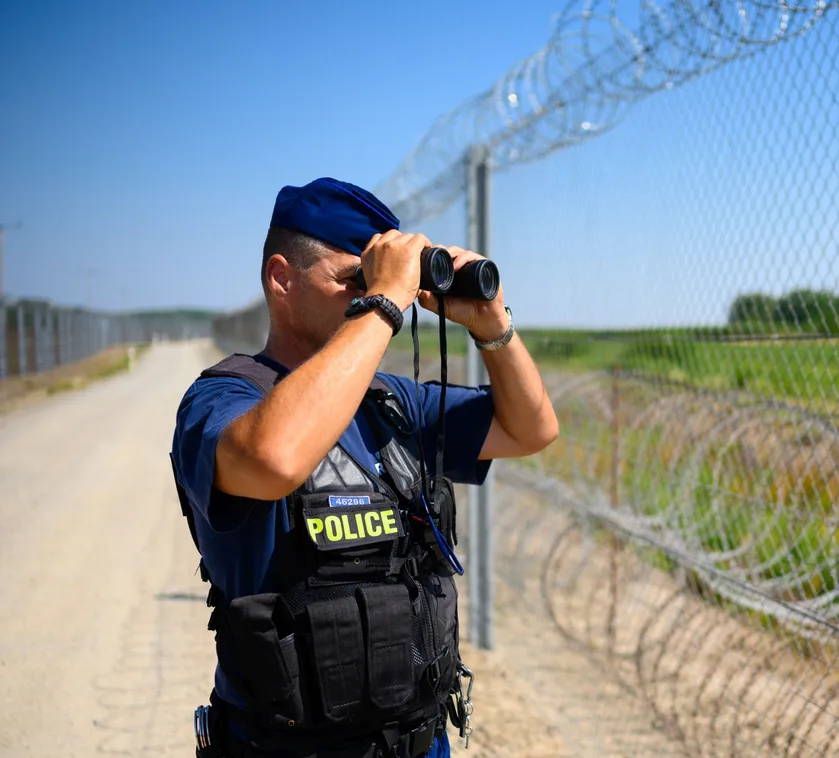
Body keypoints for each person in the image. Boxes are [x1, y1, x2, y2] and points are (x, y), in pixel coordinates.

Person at [169, 177, 558, 757]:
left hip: (420, 740)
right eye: (353, 280)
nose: (370, 295)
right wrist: (384, 302)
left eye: (378, 281)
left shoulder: (395, 404)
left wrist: (491, 325)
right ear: (281, 279)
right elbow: (274, 458)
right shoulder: (223, 400)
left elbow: (531, 429)